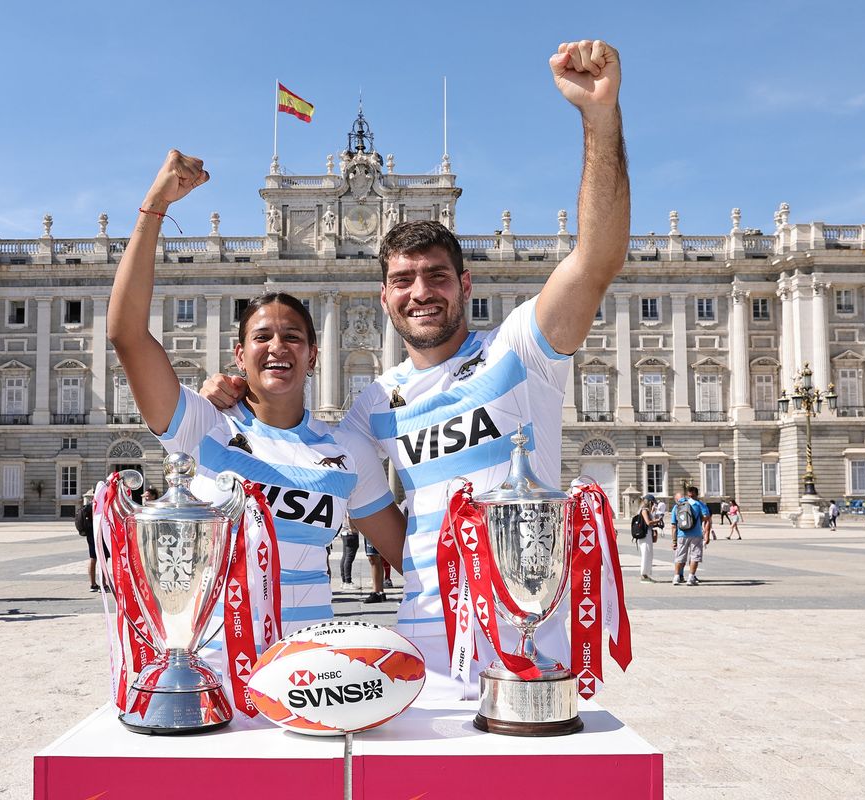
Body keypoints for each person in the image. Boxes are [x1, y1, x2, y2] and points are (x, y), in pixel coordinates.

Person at [204, 38, 628, 696]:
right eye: (403, 280)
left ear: (466, 283)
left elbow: (596, 260)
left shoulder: (517, 352)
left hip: (531, 631)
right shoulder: (373, 405)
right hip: (425, 635)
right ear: (385, 295)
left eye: (437, 276)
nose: (420, 291)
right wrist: (235, 396)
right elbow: (300, 452)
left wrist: (599, 118)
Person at [106, 148, 406, 669]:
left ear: (314, 355)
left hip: (308, 669)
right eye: (262, 336)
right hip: (214, 665)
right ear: (238, 355)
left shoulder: (347, 450)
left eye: (293, 337)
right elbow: (127, 334)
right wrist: (154, 209)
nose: (278, 346)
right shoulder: (204, 427)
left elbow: (410, 559)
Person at [670, 487, 708, 585]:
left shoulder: (677, 505)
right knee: (695, 556)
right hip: (696, 534)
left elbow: (673, 526)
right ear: (696, 494)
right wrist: (698, 520)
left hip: (681, 534)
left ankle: (676, 577)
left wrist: (674, 541)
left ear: (687, 494)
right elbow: (706, 517)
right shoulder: (699, 504)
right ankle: (691, 577)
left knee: (679, 556)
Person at [75, 490, 98, 592]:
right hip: (98, 533)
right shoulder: (99, 505)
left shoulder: (89, 506)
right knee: (102, 559)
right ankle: (104, 584)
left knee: (92, 558)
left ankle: (93, 584)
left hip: (90, 534)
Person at [638, 494, 660, 582]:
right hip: (645, 535)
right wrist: (657, 521)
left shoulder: (647, 510)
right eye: (652, 503)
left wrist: (653, 513)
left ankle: (646, 574)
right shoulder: (644, 510)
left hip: (647, 534)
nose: (653, 505)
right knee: (646, 554)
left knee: (649, 554)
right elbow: (648, 522)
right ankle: (643, 575)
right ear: (649, 502)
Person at [338, 517, 359, 589]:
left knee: (345, 556)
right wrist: (352, 528)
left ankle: (344, 581)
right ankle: (348, 581)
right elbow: (349, 516)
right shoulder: (349, 506)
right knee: (349, 558)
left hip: (344, 532)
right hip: (350, 533)